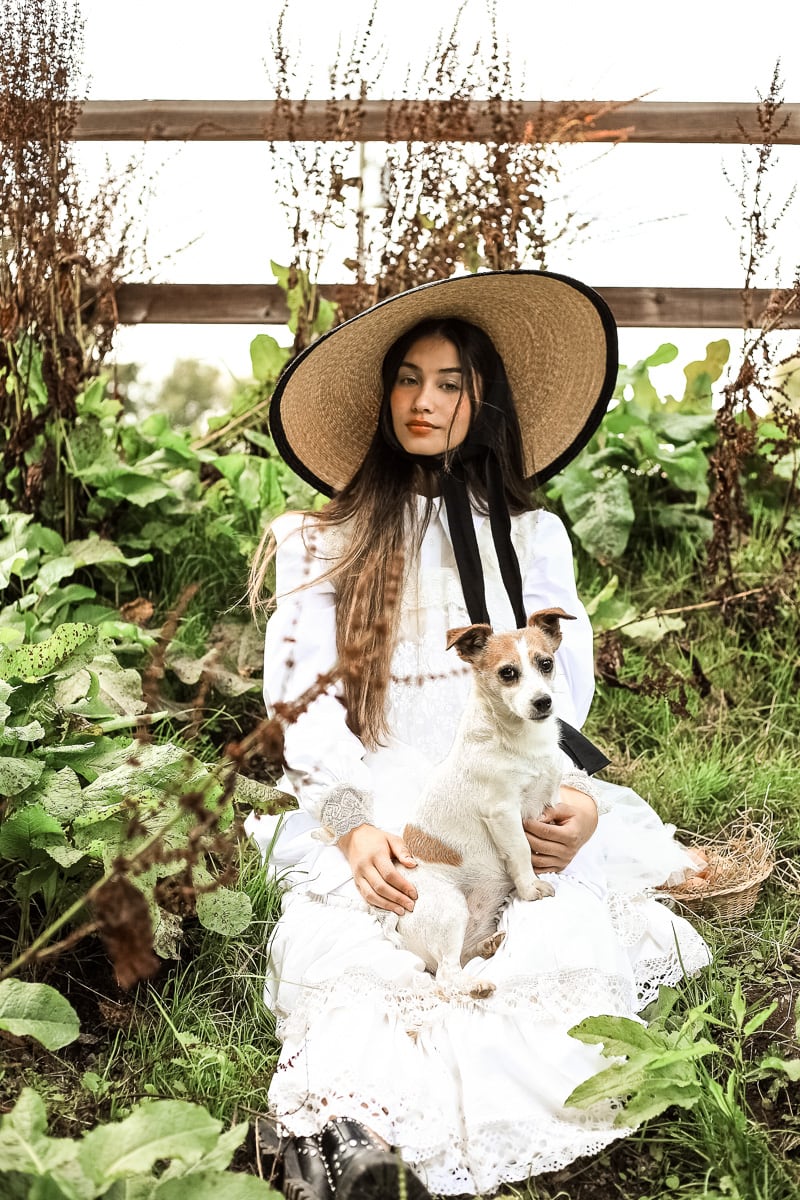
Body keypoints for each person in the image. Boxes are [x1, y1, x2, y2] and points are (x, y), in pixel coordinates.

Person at [246, 270, 710, 1200]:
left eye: (450, 383)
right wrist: (351, 824)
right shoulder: (322, 538)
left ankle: (492, 1108)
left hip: (510, 791)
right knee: (368, 944)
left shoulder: (533, 537)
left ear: (482, 399)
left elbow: (559, 703)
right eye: (407, 379)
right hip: (385, 797)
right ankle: (351, 1130)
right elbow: (302, 711)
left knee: (553, 928)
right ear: (383, 396)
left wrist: (574, 802)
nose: (424, 402)